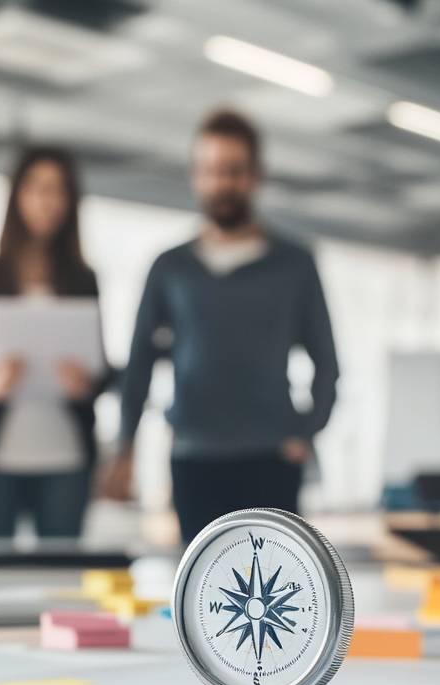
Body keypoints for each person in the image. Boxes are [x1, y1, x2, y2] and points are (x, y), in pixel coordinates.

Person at [103, 109, 339, 544]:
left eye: (234, 171)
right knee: (202, 591)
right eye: (212, 171)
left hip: (272, 456)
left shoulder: (294, 264)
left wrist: (307, 429)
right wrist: (125, 446)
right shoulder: (170, 267)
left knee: (273, 587)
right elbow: (139, 362)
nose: (222, 183)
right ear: (196, 176)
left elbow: (327, 360)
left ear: (255, 176)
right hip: (195, 457)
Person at [0, 147, 107, 539]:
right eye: (35, 188)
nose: (45, 201)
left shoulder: (84, 280)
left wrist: (86, 384)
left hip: (66, 457)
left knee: (60, 579)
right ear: (17, 195)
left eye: (57, 190)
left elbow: (103, 372)